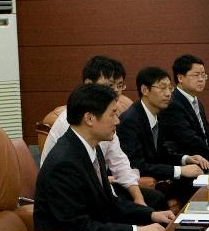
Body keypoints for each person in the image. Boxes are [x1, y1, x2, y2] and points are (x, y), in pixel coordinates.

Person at [35, 83, 176, 231]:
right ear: (90, 118)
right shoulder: (64, 163)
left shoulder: (90, 148)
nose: (118, 121)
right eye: (112, 114)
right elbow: (79, 228)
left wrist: (151, 214)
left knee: (156, 229)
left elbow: (111, 202)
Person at [39, 56, 166, 209]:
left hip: (97, 186)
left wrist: (139, 199)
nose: (115, 92)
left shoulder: (105, 121)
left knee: (152, 201)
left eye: (119, 86)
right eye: (108, 86)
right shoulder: (73, 121)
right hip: (71, 191)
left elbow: (120, 163)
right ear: (88, 84)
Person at [117, 66, 209, 204]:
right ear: (145, 90)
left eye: (170, 88)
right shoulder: (130, 121)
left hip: (155, 174)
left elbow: (162, 152)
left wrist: (186, 159)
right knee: (187, 180)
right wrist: (180, 170)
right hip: (136, 179)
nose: (168, 94)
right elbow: (138, 165)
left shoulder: (158, 114)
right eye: (162, 88)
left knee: (198, 178)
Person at [160, 54, 209, 166]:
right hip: (189, 163)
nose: (201, 79)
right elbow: (189, 140)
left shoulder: (195, 101)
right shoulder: (173, 104)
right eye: (196, 75)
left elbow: (208, 135)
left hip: (204, 158)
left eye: (203, 75)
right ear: (180, 78)